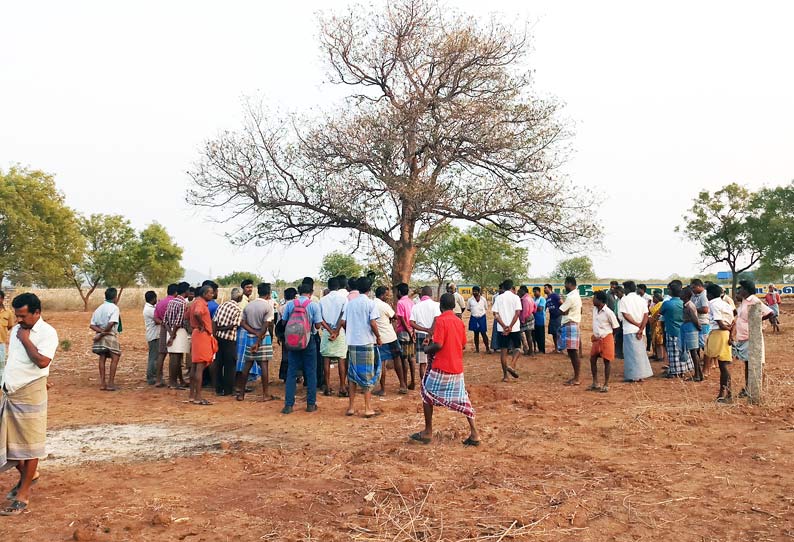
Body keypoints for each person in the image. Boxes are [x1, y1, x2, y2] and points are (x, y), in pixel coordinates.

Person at [0, 293, 58, 516]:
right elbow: (13, 360)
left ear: (37, 312)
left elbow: (43, 361)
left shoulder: (47, 333)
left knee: (30, 443)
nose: (19, 320)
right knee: (11, 440)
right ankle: (29, 476)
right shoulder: (16, 330)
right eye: (17, 315)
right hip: (11, 391)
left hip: (31, 391)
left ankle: (23, 496)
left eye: (23, 315)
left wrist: (26, 339)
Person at [409, 293, 480, 447]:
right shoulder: (459, 322)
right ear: (454, 305)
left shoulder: (440, 320)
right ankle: (474, 433)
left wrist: (427, 348)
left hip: (442, 366)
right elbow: (462, 345)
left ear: (440, 306)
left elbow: (439, 345)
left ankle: (428, 431)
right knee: (463, 400)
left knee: (426, 394)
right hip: (457, 368)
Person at [339, 277, 382, 417]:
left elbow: (343, 322)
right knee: (367, 374)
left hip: (352, 343)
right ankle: (368, 408)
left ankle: (351, 407)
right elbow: (373, 323)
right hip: (366, 342)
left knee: (352, 375)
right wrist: (379, 337)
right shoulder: (370, 303)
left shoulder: (350, 304)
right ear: (369, 290)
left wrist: (350, 331)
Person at [281, 282, 323, 414]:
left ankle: (288, 405)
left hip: (293, 341)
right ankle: (311, 404)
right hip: (309, 340)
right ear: (311, 293)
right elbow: (317, 326)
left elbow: (283, 322)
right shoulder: (313, 305)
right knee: (311, 372)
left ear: (299, 292)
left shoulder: (290, 304)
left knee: (292, 372)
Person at [236, 283, 276, 402]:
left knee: (247, 365)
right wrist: (258, 338)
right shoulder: (268, 307)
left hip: (250, 337)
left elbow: (242, 323)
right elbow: (266, 324)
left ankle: (241, 394)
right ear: (268, 294)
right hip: (263, 338)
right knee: (263, 365)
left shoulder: (249, 306)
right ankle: (265, 394)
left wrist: (253, 332)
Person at [733, 280, 773, 398]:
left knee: (754, 363)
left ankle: (754, 388)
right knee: (747, 363)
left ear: (746, 289)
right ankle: (748, 387)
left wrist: (756, 321)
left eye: (741, 288)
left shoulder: (754, 300)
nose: (739, 290)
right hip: (743, 337)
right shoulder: (744, 301)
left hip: (751, 336)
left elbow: (770, 312)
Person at [705, 283, 735, 403]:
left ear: (710, 295)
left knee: (723, 366)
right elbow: (732, 322)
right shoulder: (726, 304)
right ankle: (727, 392)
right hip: (725, 334)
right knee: (724, 364)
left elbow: (720, 323)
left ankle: (725, 393)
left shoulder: (713, 304)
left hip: (719, 333)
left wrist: (726, 329)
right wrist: (731, 333)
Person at [187, 285, 217, 405]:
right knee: (199, 367)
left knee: (195, 366)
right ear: (204, 294)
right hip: (201, 335)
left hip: (196, 334)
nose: (212, 295)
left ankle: (192, 395)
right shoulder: (200, 303)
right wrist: (202, 325)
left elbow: (188, 314)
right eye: (210, 293)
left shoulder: (195, 302)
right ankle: (198, 397)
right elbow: (197, 313)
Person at [374, 286, 406, 395]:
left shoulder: (371, 304)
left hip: (379, 338)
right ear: (382, 295)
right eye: (386, 295)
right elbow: (395, 316)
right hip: (390, 336)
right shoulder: (384, 305)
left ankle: (383, 389)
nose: (387, 296)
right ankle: (402, 385)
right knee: (397, 359)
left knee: (381, 363)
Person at [319, 276, 348, 397]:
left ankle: (328, 386)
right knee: (341, 358)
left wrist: (330, 331)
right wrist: (336, 331)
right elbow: (343, 318)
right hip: (340, 332)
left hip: (327, 331)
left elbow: (320, 319)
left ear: (328, 287)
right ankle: (342, 386)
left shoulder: (322, 300)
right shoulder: (344, 299)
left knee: (326, 358)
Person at [619, 281, 653, 383]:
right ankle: (641, 375)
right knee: (640, 353)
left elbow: (626, 315)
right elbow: (646, 315)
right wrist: (641, 328)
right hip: (640, 330)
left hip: (630, 329)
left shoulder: (624, 299)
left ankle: (633, 376)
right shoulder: (641, 300)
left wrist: (637, 325)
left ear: (628, 289)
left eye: (624, 288)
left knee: (630, 354)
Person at [89, 287, 122, 391]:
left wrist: (100, 333)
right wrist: (104, 333)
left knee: (102, 357)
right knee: (115, 357)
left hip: (100, 334)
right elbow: (111, 323)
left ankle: (103, 383)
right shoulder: (114, 308)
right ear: (115, 297)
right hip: (109, 334)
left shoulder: (99, 308)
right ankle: (111, 383)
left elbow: (92, 325)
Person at [212, 287, 243, 397]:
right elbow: (234, 325)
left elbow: (214, 321)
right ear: (239, 297)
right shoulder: (238, 309)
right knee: (230, 365)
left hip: (218, 338)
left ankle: (218, 388)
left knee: (219, 363)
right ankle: (228, 389)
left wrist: (215, 332)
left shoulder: (222, 305)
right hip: (229, 340)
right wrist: (221, 329)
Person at [660, 282, 694, 378]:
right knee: (684, 350)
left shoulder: (667, 303)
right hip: (684, 330)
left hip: (672, 329)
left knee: (673, 352)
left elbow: (661, 312)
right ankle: (684, 370)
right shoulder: (684, 302)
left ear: (671, 290)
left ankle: (675, 371)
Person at [493, 279, 522, 382]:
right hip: (514, 328)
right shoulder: (516, 297)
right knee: (518, 348)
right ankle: (512, 365)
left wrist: (504, 326)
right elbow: (517, 313)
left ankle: (505, 376)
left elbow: (495, 314)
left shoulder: (498, 298)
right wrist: (510, 326)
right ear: (511, 287)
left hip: (502, 329)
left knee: (503, 351)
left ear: (503, 287)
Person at [589, 290, 619, 392]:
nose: (593, 300)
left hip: (606, 337)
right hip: (597, 339)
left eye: (595, 298)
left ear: (600, 300)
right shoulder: (594, 309)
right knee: (592, 359)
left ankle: (606, 384)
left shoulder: (609, 312)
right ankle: (595, 382)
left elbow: (616, 327)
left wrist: (609, 337)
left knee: (607, 361)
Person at [410, 286, 441, 381]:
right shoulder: (437, 305)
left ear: (422, 294)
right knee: (435, 361)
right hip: (434, 335)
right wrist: (430, 332)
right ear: (432, 294)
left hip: (421, 335)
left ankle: (424, 383)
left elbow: (411, 323)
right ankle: (434, 382)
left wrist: (424, 329)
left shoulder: (416, 306)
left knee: (422, 364)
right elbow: (437, 320)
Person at [164, 282, 191, 389]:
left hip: (170, 330)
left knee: (175, 357)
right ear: (186, 291)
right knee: (176, 358)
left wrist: (170, 333)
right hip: (178, 332)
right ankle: (173, 382)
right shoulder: (182, 303)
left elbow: (165, 320)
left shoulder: (171, 301)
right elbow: (178, 322)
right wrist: (173, 335)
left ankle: (177, 381)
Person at [558, 277, 583, 385]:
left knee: (573, 352)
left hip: (570, 324)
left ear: (569, 284)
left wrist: (561, 304)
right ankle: (576, 377)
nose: (565, 286)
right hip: (572, 323)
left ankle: (577, 378)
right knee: (572, 351)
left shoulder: (571, 297)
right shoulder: (576, 296)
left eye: (565, 284)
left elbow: (561, 310)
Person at [153, 283, 177, 388]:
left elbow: (155, 318)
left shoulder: (160, 303)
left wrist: (163, 323)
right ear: (176, 292)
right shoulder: (175, 303)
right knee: (174, 356)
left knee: (161, 355)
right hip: (173, 330)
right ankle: (172, 380)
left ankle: (158, 379)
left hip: (163, 330)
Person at [394, 282, 417, 390]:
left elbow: (402, 319)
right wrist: (413, 332)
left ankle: (404, 382)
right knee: (411, 357)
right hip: (412, 331)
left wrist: (408, 331)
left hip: (404, 332)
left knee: (404, 358)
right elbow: (414, 319)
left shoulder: (400, 303)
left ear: (399, 292)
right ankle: (412, 381)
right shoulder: (411, 302)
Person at [680, 287, 703, 381]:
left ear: (685, 295)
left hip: (691, 329)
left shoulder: (689, 306)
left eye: (682, 293)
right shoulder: (687, 304)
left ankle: (697, 375)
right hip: (689, 328)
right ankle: (699, 374)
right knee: (694, 352)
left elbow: (694, 318)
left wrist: (698, 327)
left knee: (694, 352)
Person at [276, 287, 298, 381]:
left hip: (285, 334)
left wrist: (278, 336)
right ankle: (297, 375)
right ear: (295, 295)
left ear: (285, 296)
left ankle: (285, 376)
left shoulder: (281, 308)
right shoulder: (298, 306)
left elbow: (279, 323)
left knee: (285, 354)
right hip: (297, 333)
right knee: (297, 354)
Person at [466, 286, 490, 354]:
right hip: (474, 317)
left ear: (479, 292)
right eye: (473, 291)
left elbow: (486, 308)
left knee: (483, 333)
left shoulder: (483, 299)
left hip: (482, 317)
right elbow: (468, 308)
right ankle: (477, 349)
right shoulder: (470, 300)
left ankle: (487, 349)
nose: (474, 292)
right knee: (475, 334)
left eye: (476, 291)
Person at [142, 290, 159, 385]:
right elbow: (158, 319)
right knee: (153, 358)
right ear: (153, 299)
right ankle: (151, 377)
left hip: (153, 334)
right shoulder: (150, 310)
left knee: (153, 357)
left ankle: (152, 376)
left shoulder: (150, 308)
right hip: (154, 335)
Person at [690, 279, 712, 350]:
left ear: (699, 286)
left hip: (703, 322)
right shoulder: (696, 295)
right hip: (698, 321)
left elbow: (705, 310)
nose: (692, 289)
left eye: (693, 287)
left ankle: (707, 360)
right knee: (698, 344)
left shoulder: (704, 295)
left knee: (704, 344)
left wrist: (693, 309)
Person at [0, 290, 15, 379]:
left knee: (1, 365)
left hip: (1, 343)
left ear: (2, 299)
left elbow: (9, 326)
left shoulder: (8, 312)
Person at [649, 292, 667, 362]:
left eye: (654, 297)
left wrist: (652, 319)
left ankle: (660, 356)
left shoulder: (660, 304)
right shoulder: (655, 305)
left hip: (658, 324)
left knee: (659, 340)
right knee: (654, 340)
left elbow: (658, 314)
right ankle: (656, 354)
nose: (653, 299)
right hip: (654, 323)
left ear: (657, 298)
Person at [518, 285, 536, 356]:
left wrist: (522, 320)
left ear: (523, 291)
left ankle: (528, 350)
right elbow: (535, 307)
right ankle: (531, 350)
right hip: (531, 316)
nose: (518, 293)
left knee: (524, 334)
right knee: (529, 335)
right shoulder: (530, 298)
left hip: (526, 318)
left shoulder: (525, 299)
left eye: (519, 291)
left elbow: (525, 311)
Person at [544, 284, 562, 353]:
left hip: (557, 316)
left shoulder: (555, 295)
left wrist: (560, 312)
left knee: (558, 333)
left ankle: (560, 348)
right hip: (552, 317)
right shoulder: (547, 298)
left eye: (545, 288)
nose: (544, 289)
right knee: (554, 333)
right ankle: (556, 348)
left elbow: (561, 303)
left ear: (550, 288)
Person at [637, 284, 653, 352]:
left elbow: (650, 307)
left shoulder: (648, 297)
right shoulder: (637, 297)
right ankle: (640, 347)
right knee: (640, 331)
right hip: (640, 316)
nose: (637, 290)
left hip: (647, 316)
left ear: (642, 289)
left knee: (648, 332)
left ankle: (648, 348)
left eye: (638, 289)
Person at [532, 287, 546, 354]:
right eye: (533, 292)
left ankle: (542, 350)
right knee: (535, 335)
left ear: (539, 292)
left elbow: (540, 308)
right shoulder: (533, 299)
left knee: (541, 335)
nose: (534, 293)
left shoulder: (542, 299)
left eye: (535, 292)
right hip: (534, 319)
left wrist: (532, 309)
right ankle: (535, 348)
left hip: (540, 319)